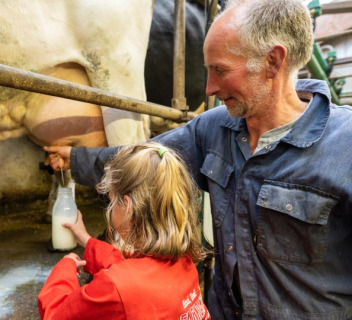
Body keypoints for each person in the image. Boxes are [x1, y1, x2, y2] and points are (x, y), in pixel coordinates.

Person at [44, 0, 352, 318]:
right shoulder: (213, 128)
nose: (209, 87)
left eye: (220, 70)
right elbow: (140, 161)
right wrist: (75, 158)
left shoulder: (345, 144)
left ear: (272, 61)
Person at [38, 142, 210, 320]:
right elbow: (131, 266)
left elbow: (56, 315)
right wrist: (86, 240)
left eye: (112, 201)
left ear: (127, 207)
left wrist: (64, 271)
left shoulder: (117, 286)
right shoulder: (185, 259)